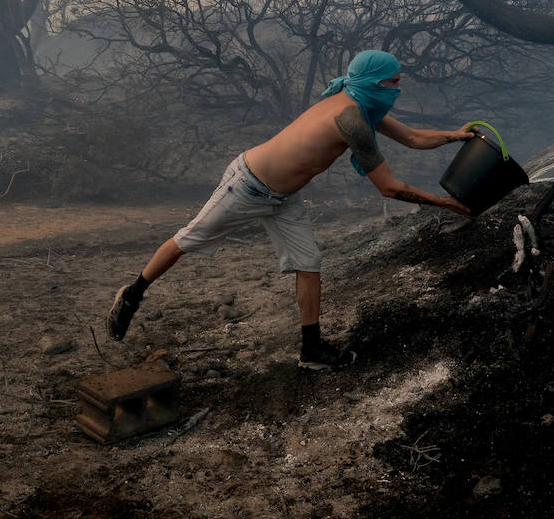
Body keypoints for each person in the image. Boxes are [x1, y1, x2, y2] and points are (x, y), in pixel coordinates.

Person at [106, 50, 476, 370]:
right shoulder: (350, 117)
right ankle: (133, 293)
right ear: (374, 82)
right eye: (392, 82)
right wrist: (443, 203)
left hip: (284, 198)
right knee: (189, 239)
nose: (397, 89)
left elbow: (412, 138)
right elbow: (388, 187)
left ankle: (311, 350)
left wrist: (455, 136)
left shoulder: (363, 103)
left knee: (309, 262)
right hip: (248, 185)